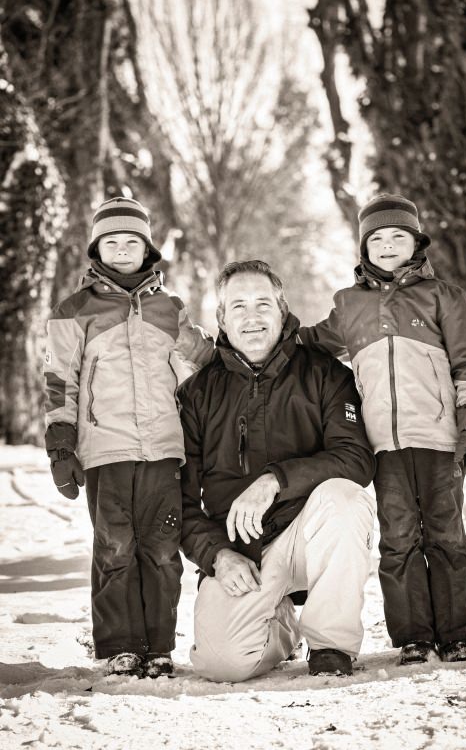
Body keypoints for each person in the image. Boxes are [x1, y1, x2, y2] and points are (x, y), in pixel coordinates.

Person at [299, 193, 466, 665]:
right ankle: (414, 637)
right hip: (382, 445)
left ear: (416, 243)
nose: (387, 245)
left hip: (440, 439)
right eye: (377, 238)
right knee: (398, 539)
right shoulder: (349, 305)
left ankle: (458, 633)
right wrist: (268, 329)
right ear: (364, 247)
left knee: (446, 534)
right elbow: (312, 344)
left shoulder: (444, 296)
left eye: (397, 237)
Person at [179, 259, 376, 683]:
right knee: (221, 665)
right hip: (243, 550)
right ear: (222, 318)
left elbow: (356, 459)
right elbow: (179, 500)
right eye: (239, 306)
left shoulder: (324, 373)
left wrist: (275, 480)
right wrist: (217, 556)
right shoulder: (197, 394)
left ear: (282, 310)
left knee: (346, 498)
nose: (252, 317)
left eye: (263, 304)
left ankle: (330, 645)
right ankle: (283, 627)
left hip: (311, 534)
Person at [43, 196, 213, 678]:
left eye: (131, 241)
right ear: (97, 248)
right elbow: (59, 381)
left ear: (147, 249)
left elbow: (203, 359)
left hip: (163, 449)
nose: (121, 249)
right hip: (105, 449)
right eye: (111, 241)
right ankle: (121, 644)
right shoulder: (75, 310)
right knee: (114, 547)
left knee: (162, 549)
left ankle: (158, 645)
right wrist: (61, 444)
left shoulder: (168, 307)